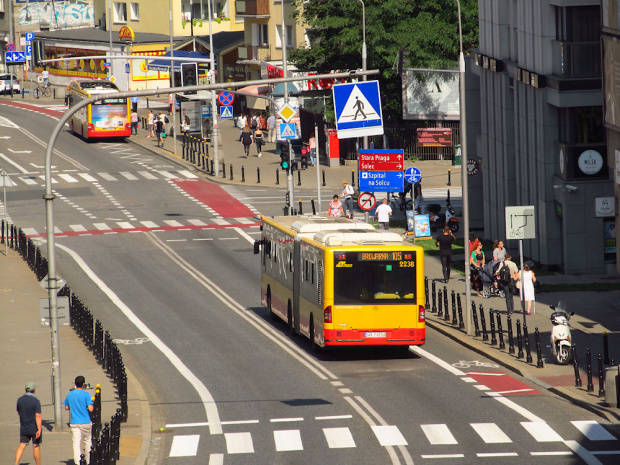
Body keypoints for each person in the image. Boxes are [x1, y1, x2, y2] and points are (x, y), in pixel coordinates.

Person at [64, 375, 94, 465]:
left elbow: (66, 407)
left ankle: (77, 462)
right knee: (87, 441)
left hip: (74, 422)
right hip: (85, 421)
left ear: (75, 384)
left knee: (76, 443)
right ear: (83, 384)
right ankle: (88, 461)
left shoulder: (70, 394)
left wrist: (73, 407)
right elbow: (91, 409)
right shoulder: (86, 395)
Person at [15, 381, 42, 465]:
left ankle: (16, 462)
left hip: (24, 427)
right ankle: (38, 463)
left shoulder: (20, 400)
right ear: (34, 390)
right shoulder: (36, 401)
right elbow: (38, 416)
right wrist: (39, 429)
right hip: (34, 428)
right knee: (36, 446)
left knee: (22, 444)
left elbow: (19, 412)